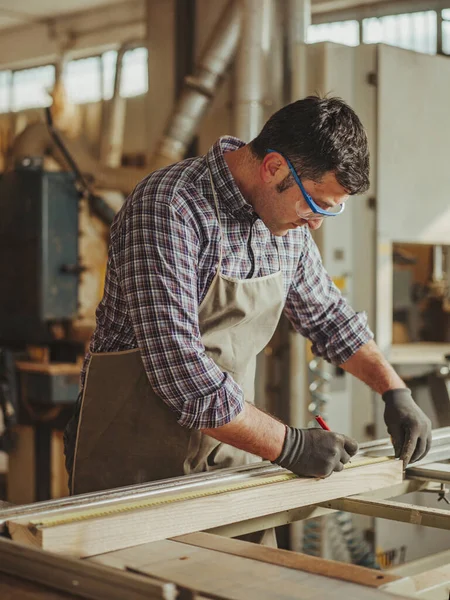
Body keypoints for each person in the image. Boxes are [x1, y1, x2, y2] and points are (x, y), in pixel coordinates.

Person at [64, 96, 431, 509]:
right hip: (134, 464)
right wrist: (290, 445)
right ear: (273, 167)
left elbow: (328, 317)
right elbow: (181, 372)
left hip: (230, 455)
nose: (314, 223)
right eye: (314, 205)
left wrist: (393, 390)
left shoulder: (288, 227)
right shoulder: (170, 207)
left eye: (330, 211)